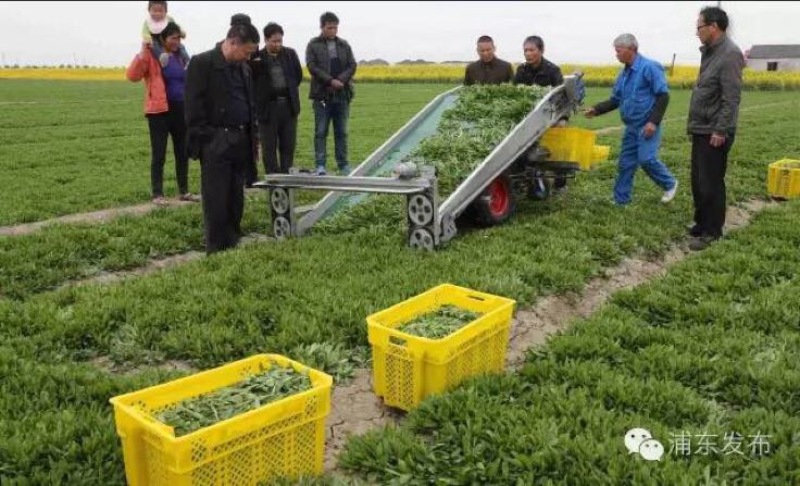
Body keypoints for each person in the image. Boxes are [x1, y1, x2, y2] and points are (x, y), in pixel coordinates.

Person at [185, 14, 259, 255]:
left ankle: (232, 242)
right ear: (233, 42)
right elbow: (193, 107)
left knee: (236, 197)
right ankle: (216, 248)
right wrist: (209, 139)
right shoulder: (203, 63)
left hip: (241, 139)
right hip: (217, 140)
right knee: (216, 198)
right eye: (246, 52)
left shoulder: (244, 69)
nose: (248, 57)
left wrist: (252, 139)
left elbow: (250, 105)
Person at [584, 33, 678, 207]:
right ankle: (621, 200)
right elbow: (615, 100)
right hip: (631, 127)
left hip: (647, 124)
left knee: (646, 159)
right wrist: (596, 109)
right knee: (625, 164)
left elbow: (663, 95)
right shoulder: (623, 75)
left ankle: (670, 183)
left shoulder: (650, 67)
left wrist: (653, 122)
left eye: (619, 51)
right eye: (616, 51)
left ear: (632, 49)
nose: (616, 55)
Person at [686, 6, 744, 251]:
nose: (697, 32)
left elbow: (731, 98)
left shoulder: (729, 54)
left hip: (714, 130)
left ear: (713, 27)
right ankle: (701, 223)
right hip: (702, 127)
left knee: (711, 182)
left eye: (699, 27)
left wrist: (721, 130)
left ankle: (712, 231)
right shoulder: (710, 52)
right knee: (698, 180)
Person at [127, 21, 199, 204]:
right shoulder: (152, 55)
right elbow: (132, 76)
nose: (176, 42)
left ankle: (184, 191)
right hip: (159, 111)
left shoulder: (181, 56)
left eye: (177, 38)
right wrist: (143, 52)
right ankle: (157, 194)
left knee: (182, 152)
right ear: (163, 38)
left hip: (180, 108)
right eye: (172, 38)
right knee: (159, 153)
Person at [513, 35, 567, 194]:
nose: (528, 54)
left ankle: (560, 184)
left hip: (550, 117)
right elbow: (514, 94)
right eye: (525, 50)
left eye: (531, 50)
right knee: (528, 150)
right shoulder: (521, 70)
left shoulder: (552, 70)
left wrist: (562, 119)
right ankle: (531, 182)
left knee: (556, 151)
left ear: (541, 50)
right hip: (529, 118)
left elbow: (562, 97)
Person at [306, 11, 357, 176]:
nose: (333, 31)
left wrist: (341, 80)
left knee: (341, 132)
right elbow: (312, 66)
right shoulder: (313, 45)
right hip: (322, 95)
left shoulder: (344, 45)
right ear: (322, 27)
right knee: (321, 132)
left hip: (342, 94)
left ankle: (343, 165)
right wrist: (330, 81)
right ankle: (320, 165)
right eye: (329, 28)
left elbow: (352, 64)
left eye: (335, 28)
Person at [251, 22, 303, 176]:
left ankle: (287, 176)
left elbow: (297, 76)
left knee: (288, 144)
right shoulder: (256, 57)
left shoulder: (290, 54)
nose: (277, 44)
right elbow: (252, 81)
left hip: (288, 106)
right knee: (269, 146)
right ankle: (273, 178)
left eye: (280, 40)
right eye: (274, 41)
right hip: (267, 109)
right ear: (266, 40)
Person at [141, 1, 189, 68]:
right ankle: (162, 58)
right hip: (155, 40)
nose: (157, 13)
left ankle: (187, 60)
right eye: (154, 11)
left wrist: (181, 32)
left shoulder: (169, 19)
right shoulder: (148, 22)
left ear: (166, 11)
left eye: (160, 11)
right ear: (149, 11)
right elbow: (145, 32)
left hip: (168, 38)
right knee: (155, 47)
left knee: (181, 46)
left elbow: (175, 27)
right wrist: (148, 38)